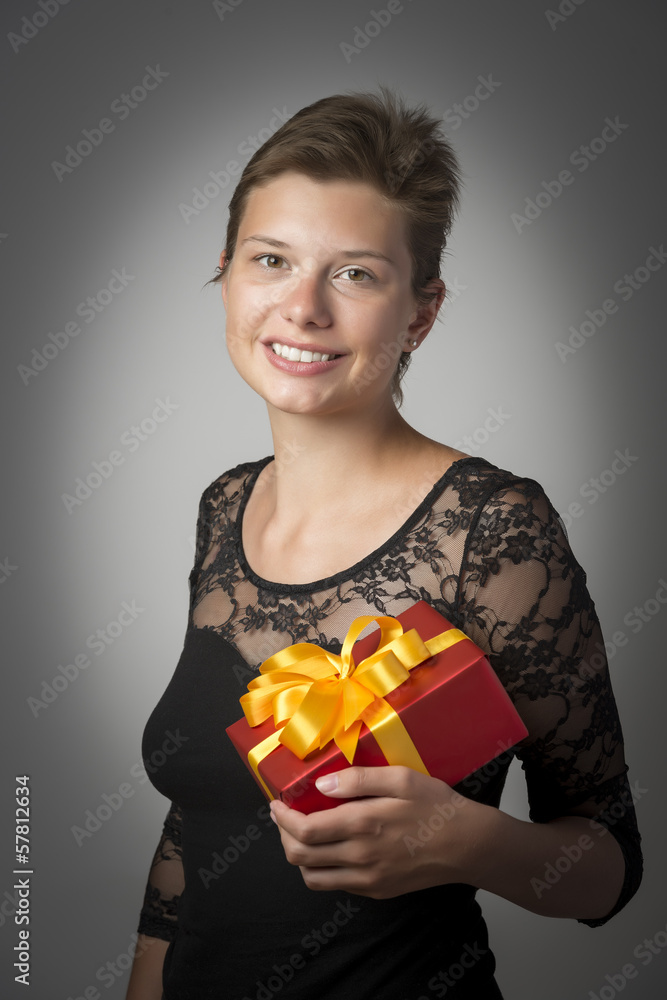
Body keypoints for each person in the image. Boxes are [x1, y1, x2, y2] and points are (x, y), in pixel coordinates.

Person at [125, 89, 643, 999]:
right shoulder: (223, 506)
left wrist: (467, 842)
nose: (302, 308)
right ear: (227, 271)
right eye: (271, 259)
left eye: (356, 273)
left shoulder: (495, 528)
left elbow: (607, 868)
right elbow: (192, 831)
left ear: (421, 312)